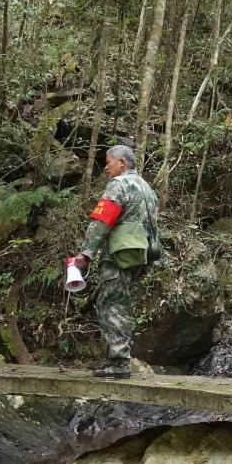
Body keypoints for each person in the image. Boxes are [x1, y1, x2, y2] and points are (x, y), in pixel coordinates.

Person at [69, 144, 159, 379]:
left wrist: (86, 253)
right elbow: (153, 227)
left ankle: (118, 362)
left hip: (118, 254)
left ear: (122, 163)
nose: (106, 166)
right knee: (123, 304)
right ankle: (120, 358)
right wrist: (147, 262)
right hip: (139, 254)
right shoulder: (147, 188)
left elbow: (102, 220)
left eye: (109, 161)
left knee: (112, 304)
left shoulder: (119, 184)